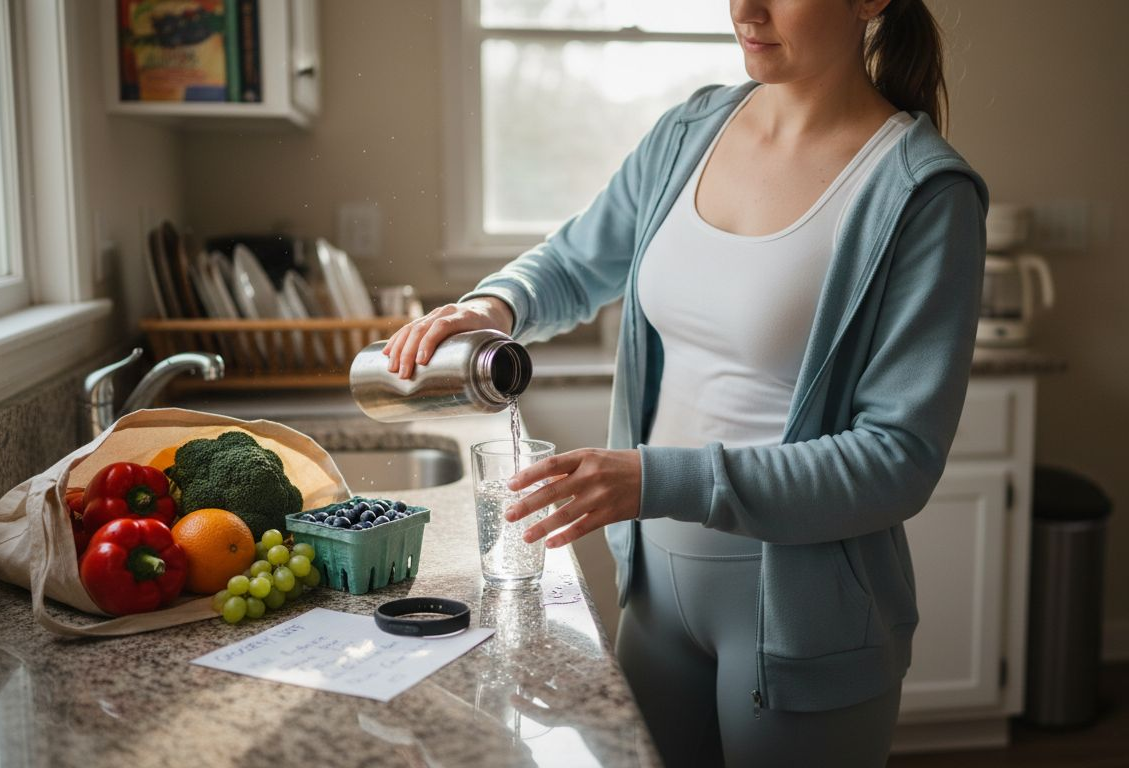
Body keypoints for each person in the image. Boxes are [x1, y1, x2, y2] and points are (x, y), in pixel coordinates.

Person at [383, 0, 987, 764]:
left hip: (807, 626)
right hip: (656, 600)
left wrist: (654, 479)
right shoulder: (690, 131)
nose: (746, 7)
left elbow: (894, 462)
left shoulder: (922, 192)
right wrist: (489, 306)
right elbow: (574, 261)